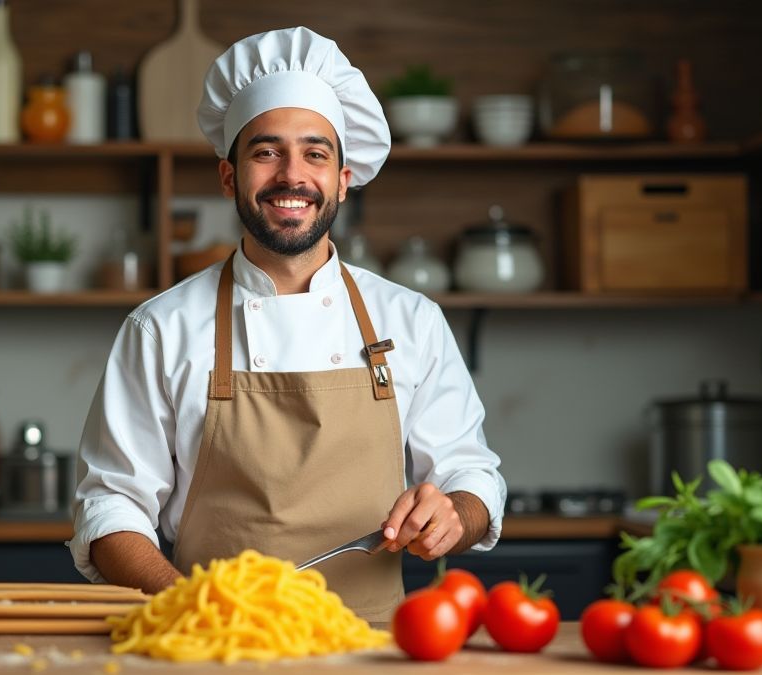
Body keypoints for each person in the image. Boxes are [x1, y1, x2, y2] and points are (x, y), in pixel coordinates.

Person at [70, 26, 505, 621]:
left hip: (373, 648)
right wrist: (190, 607)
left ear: (343, 181)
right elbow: (110, 506)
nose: (291, 175)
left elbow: (473, 476)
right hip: (217, 647)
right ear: (229, 177)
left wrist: (455, 511)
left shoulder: (413, 321)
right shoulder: (160, 329)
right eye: (266, 151)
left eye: (315, 153)